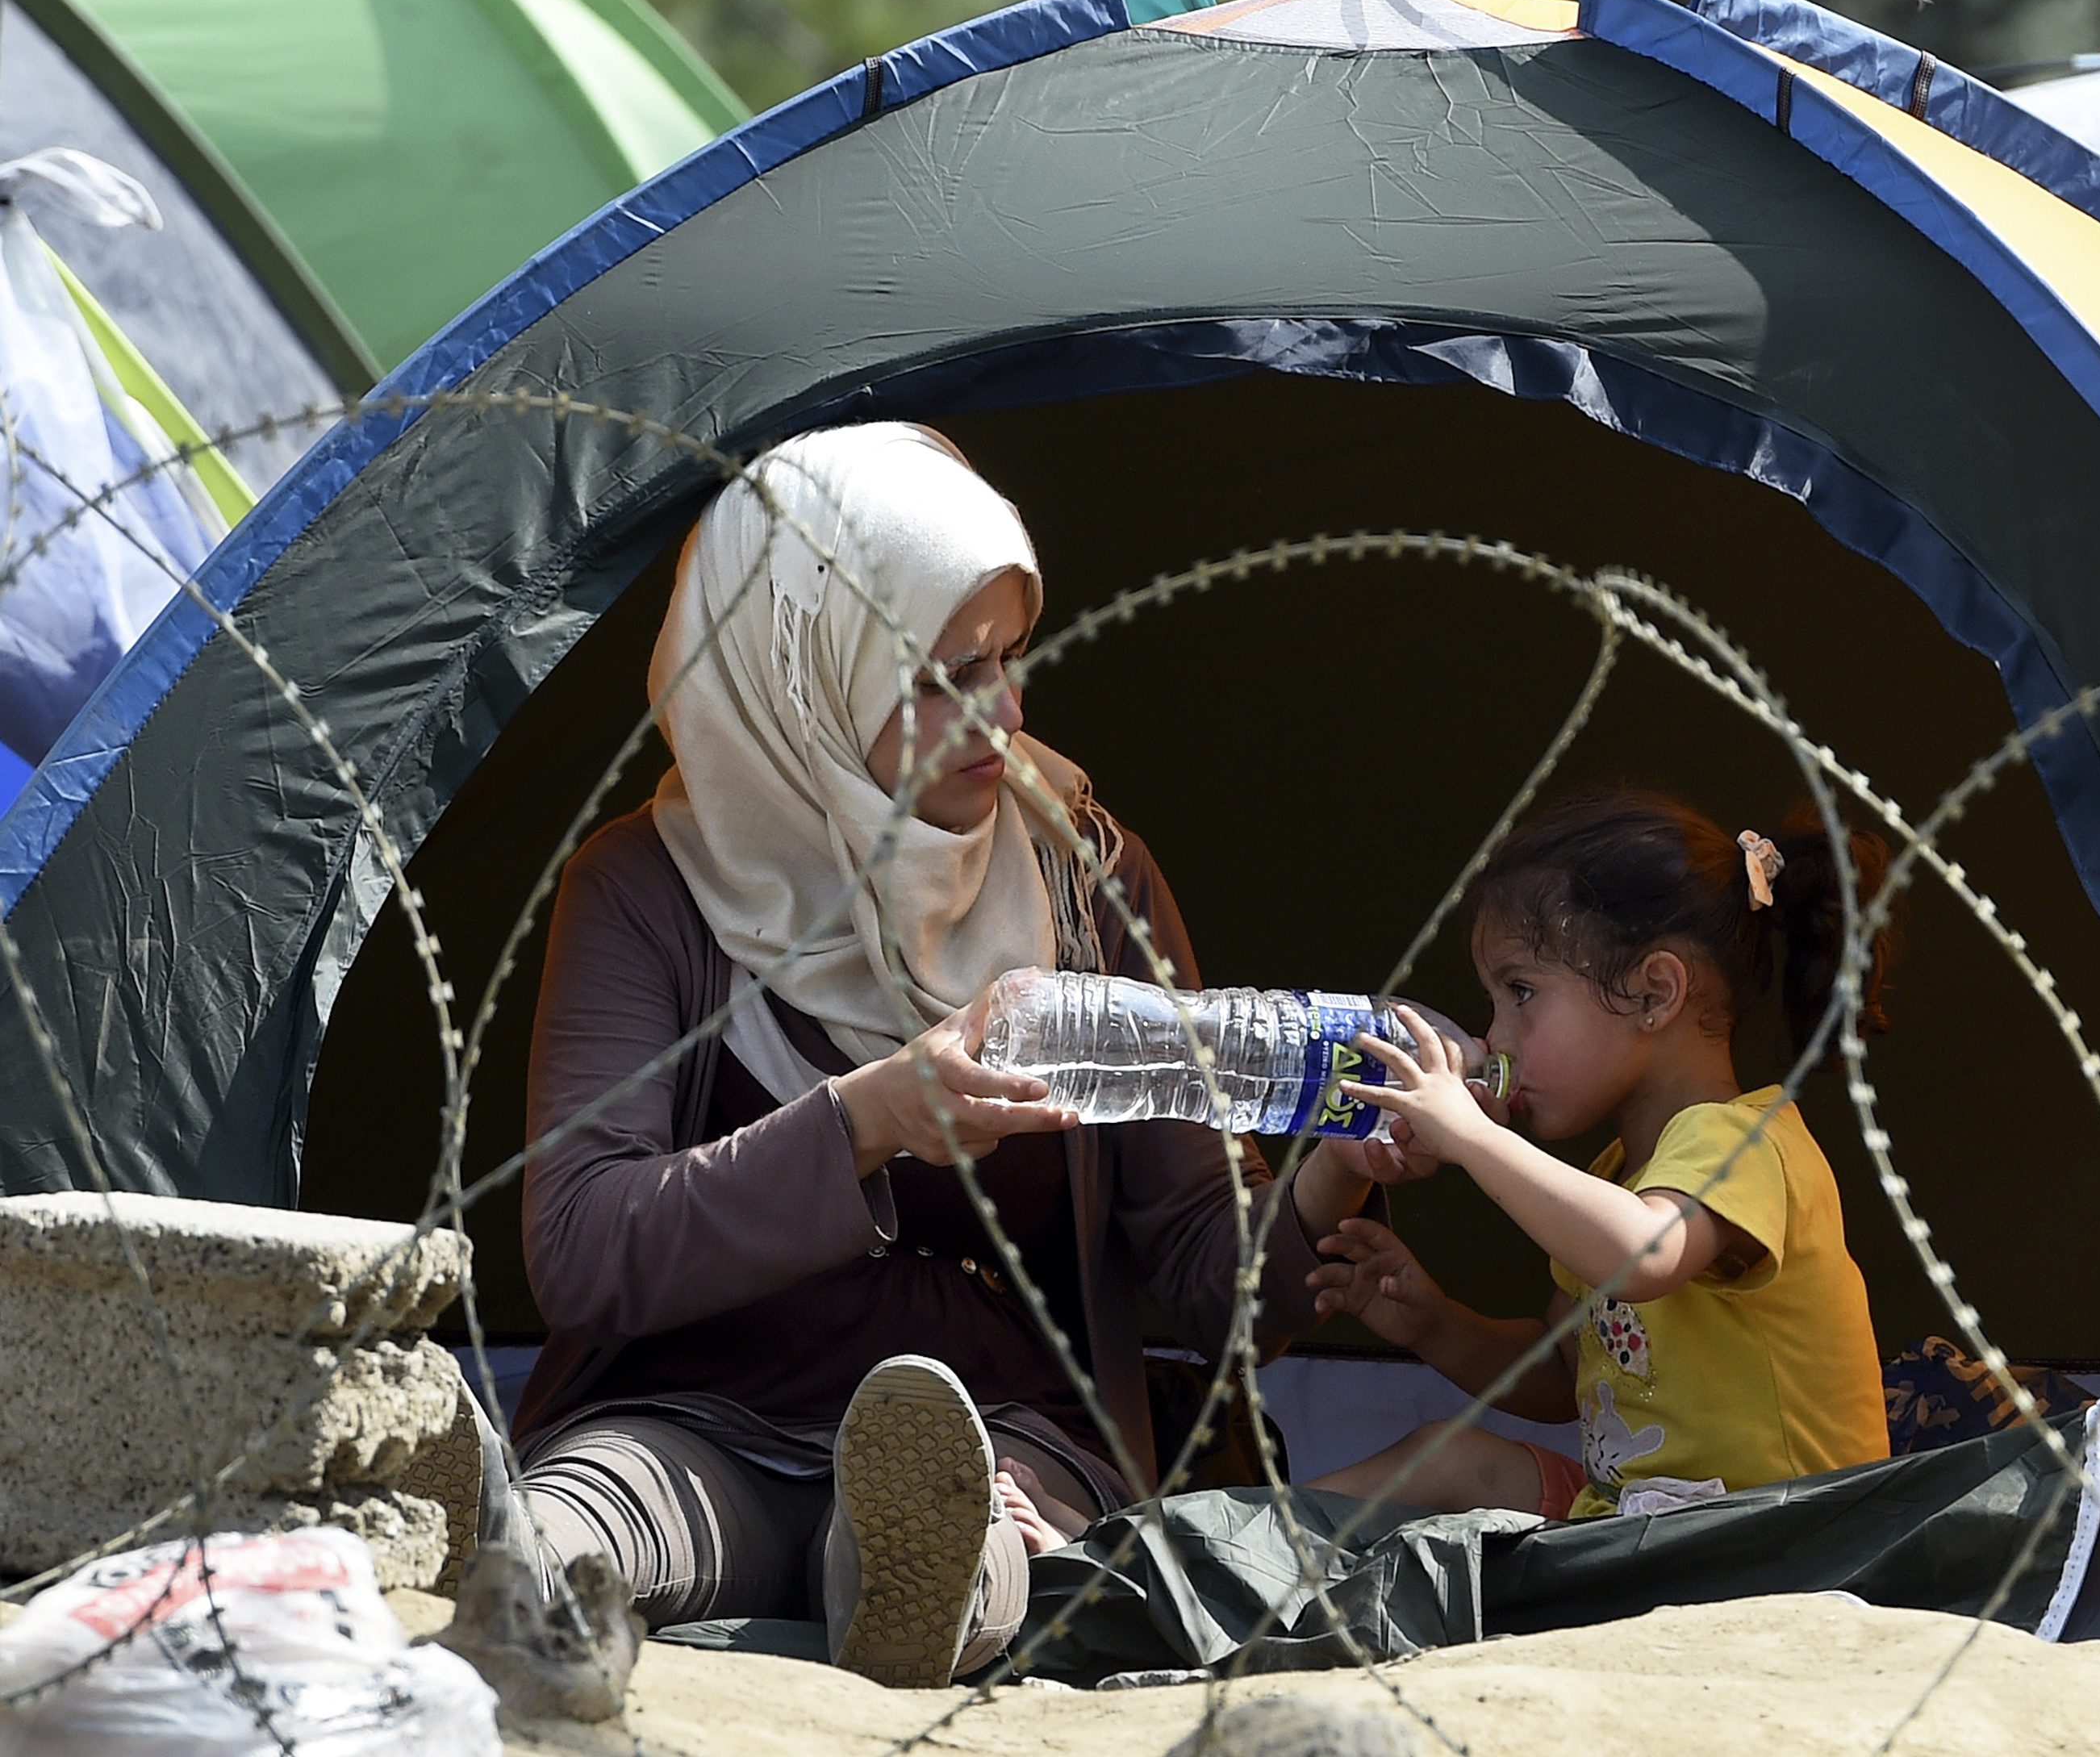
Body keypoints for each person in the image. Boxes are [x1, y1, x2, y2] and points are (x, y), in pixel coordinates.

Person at [510, 423, 1415, 1684]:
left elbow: (1215, 1277)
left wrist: (1340, 1166)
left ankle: (925, 1594)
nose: (1003, 715)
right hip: (694, 1418)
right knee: (574, 1533)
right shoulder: (646, 890)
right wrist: (868, 1120)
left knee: (953, 1539)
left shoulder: (1087, 882)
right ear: (803, 678)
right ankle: (507, 1576)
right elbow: (581, 1249)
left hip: (997, 1435)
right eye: (943, 679)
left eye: (1009, 660)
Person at [1305, 790, 1895, 1521]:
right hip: (1636, 1528)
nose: (1497, 1038)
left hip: (1781, 1550)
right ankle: (1214, 1559)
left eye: (1521, 992)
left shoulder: (1747, 1139)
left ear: (1655, 991)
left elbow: (1643, 1254)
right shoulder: (1616, 1177)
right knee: (1446, 1458)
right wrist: (1433, 1321)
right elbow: (1562, 1372)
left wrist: (1472, 1134)